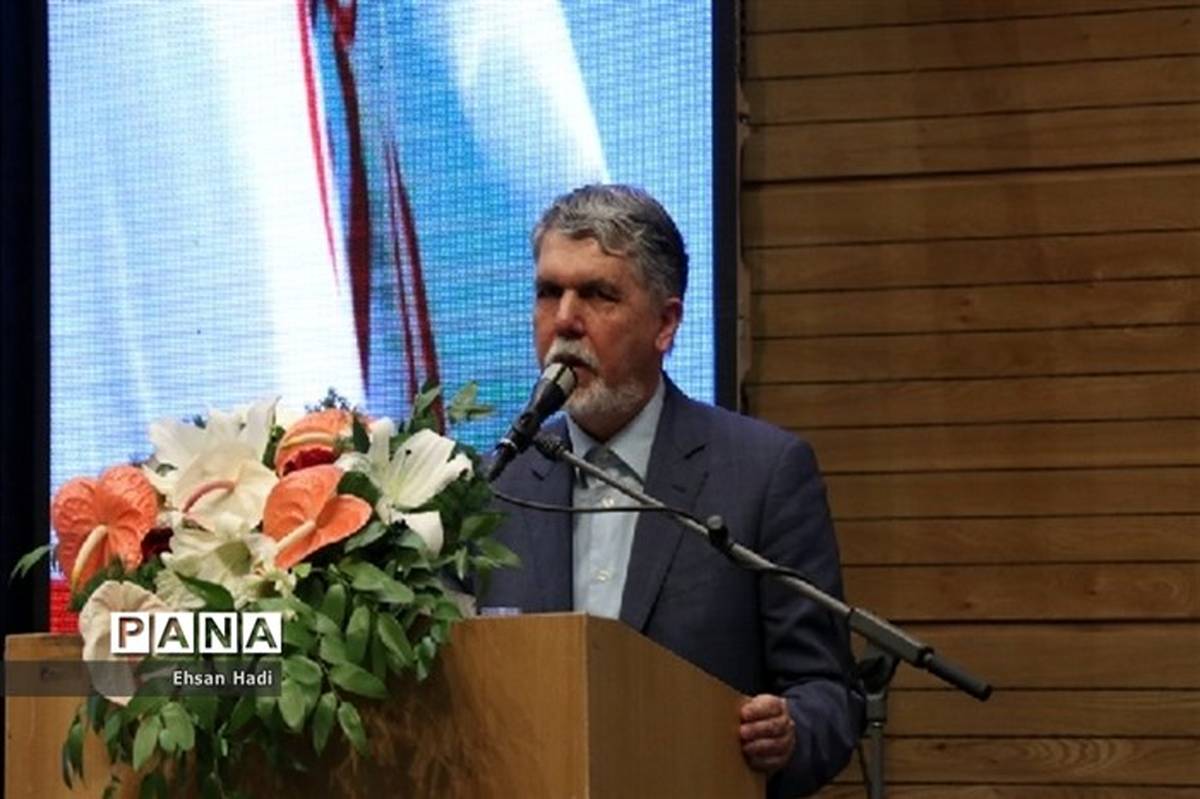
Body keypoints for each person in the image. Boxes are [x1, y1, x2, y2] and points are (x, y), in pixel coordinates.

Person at [480, 184, 863, 797]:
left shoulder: (763, 473)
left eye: (598, 294)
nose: (565, 320)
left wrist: (791, 732)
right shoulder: (495, 483)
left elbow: (828, 693)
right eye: (549, 292)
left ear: (665, 323)